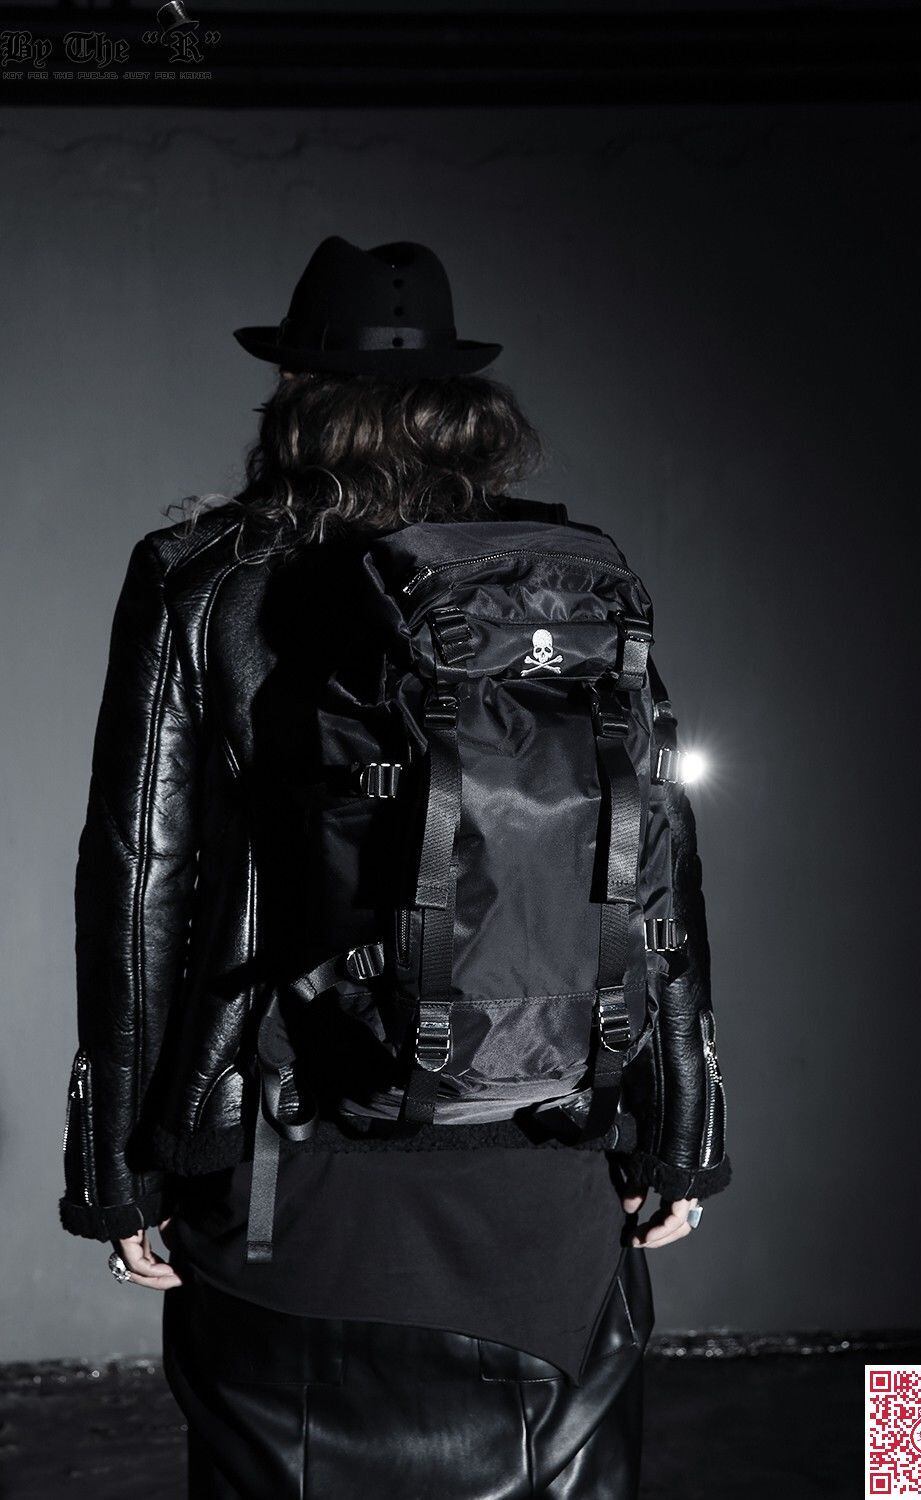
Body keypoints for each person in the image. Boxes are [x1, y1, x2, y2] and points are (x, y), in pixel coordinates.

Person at [58, 235, 732, 1499]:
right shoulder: (564, 585)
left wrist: (118, 1170)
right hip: (544, 1154)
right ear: (461, 407)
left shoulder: (202, 579)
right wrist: (682, 1133)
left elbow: (140, 878)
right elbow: (657, 857)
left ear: (294, 397)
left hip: (283, 1171)